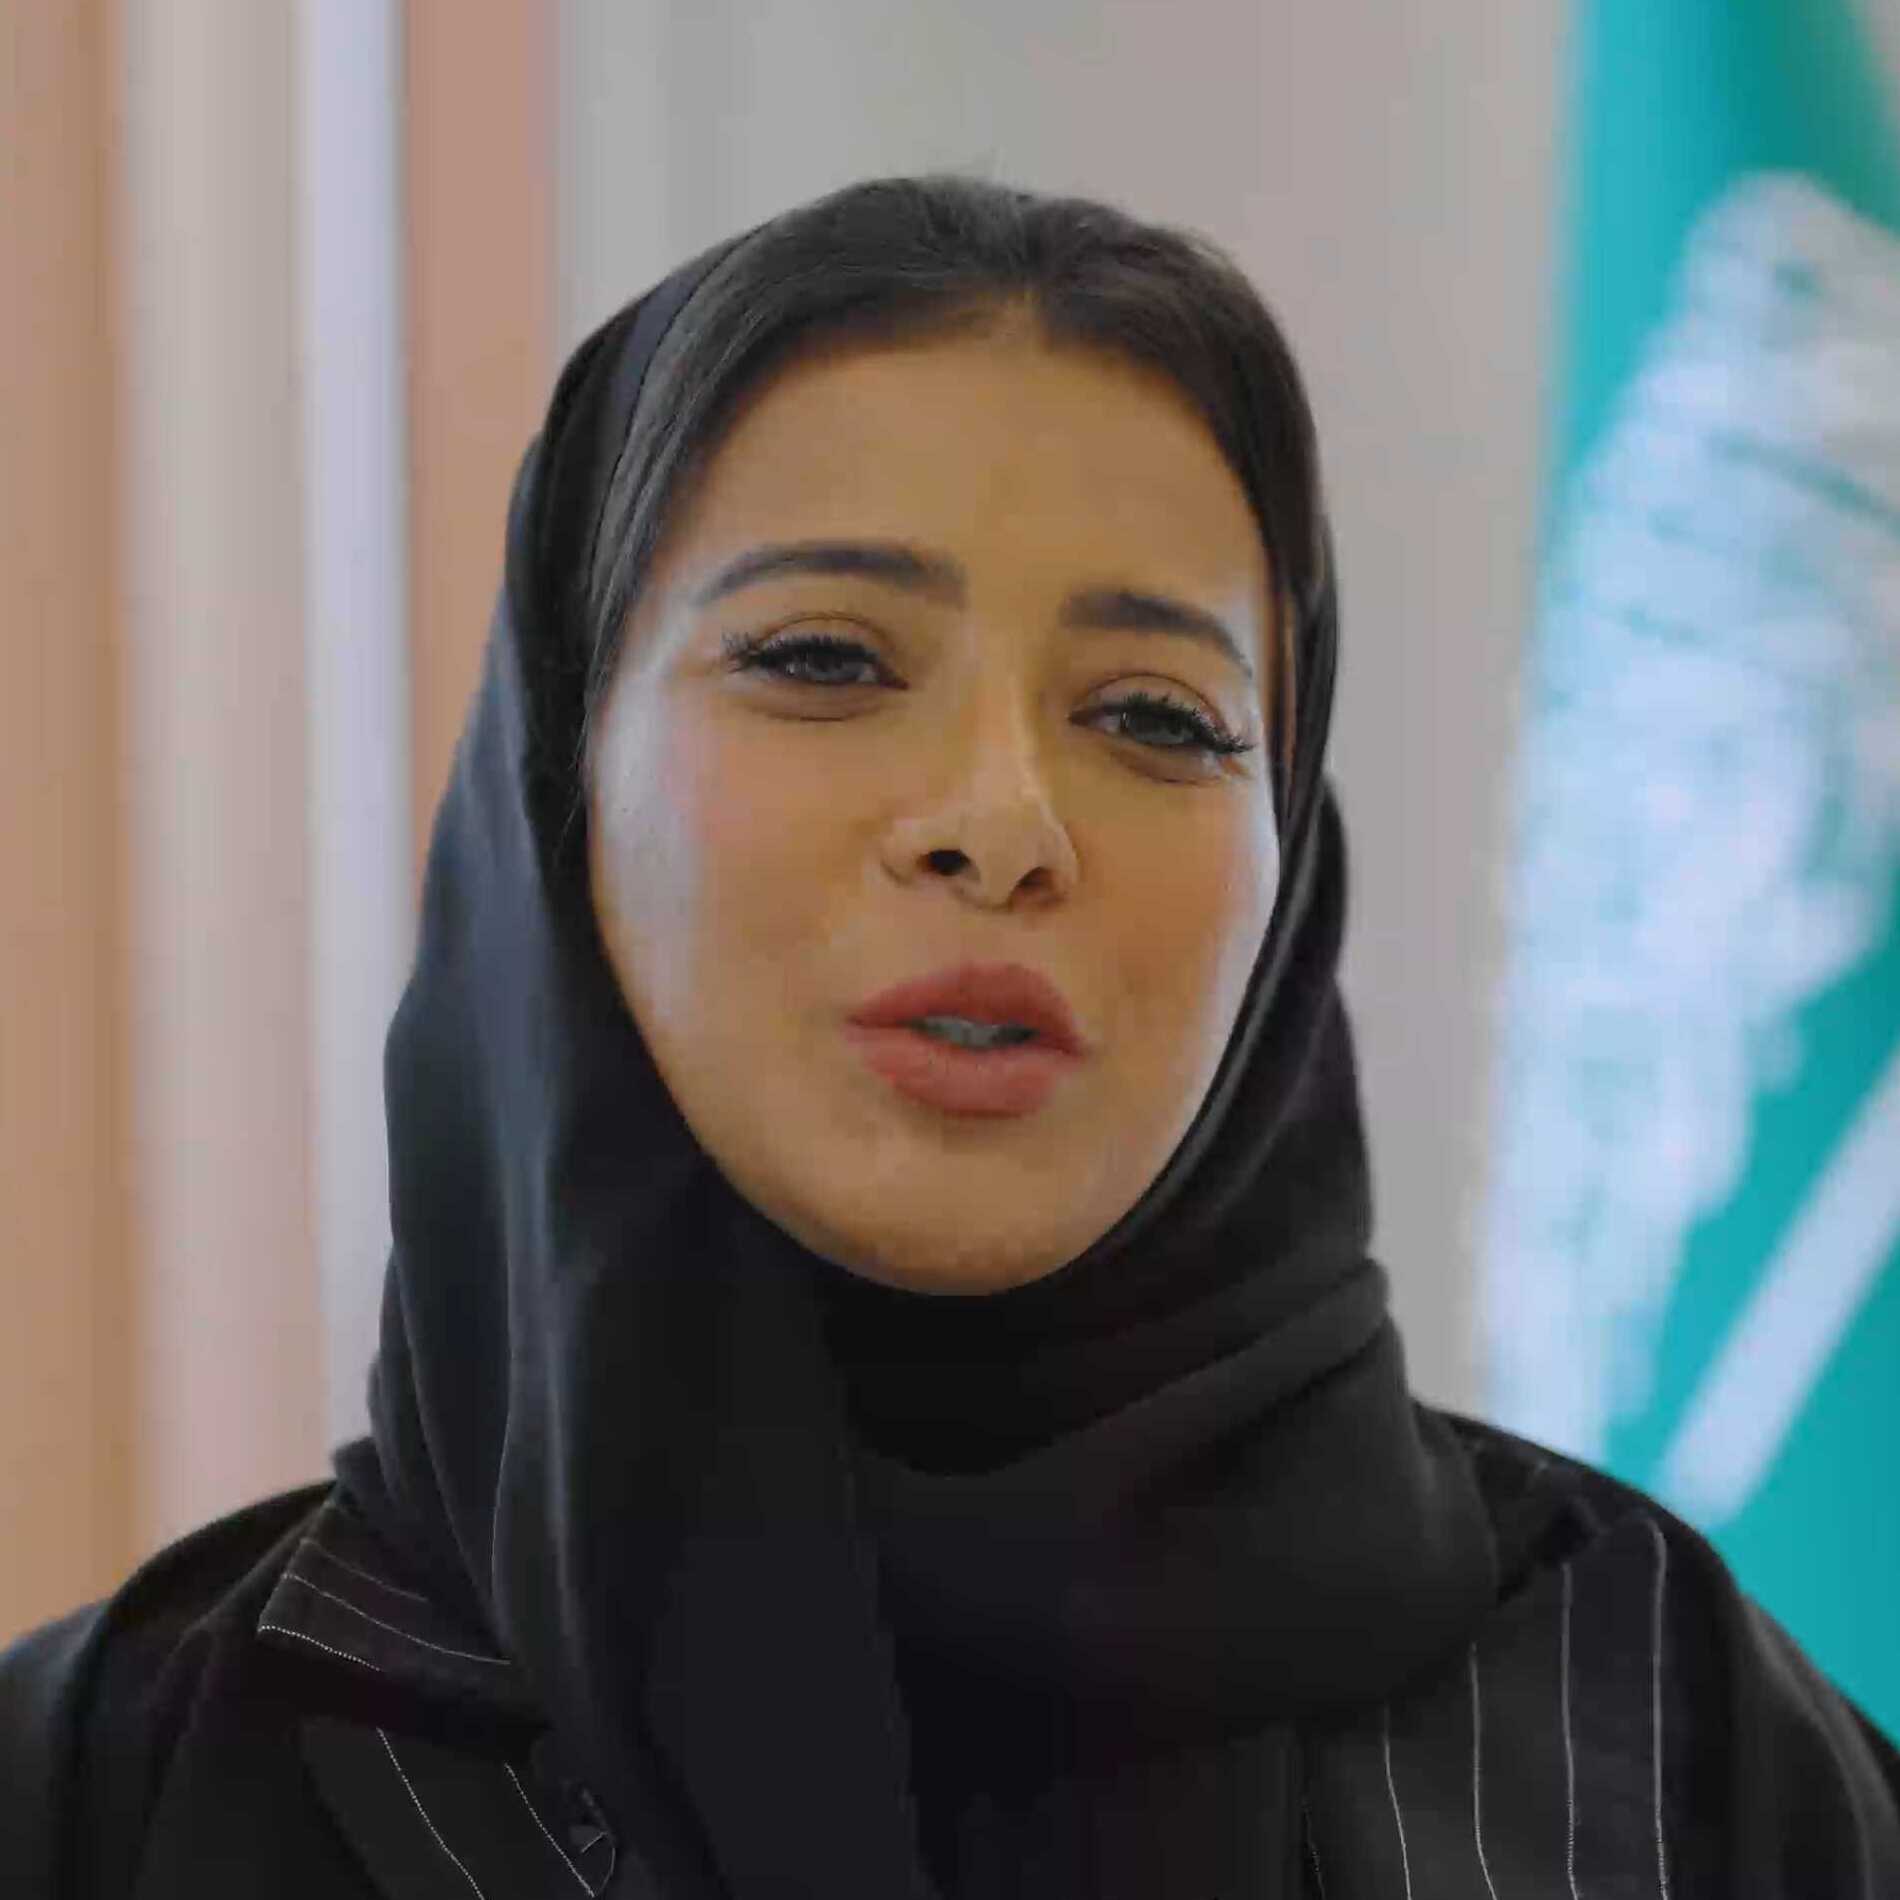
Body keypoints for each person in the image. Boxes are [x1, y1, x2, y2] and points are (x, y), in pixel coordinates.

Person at [3, 173, 1896, 1900]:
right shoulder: (108, 1788)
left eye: (1156, 717)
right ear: (557, 785)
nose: (1002, 822)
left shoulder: (1688, 1758)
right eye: (823, 659)